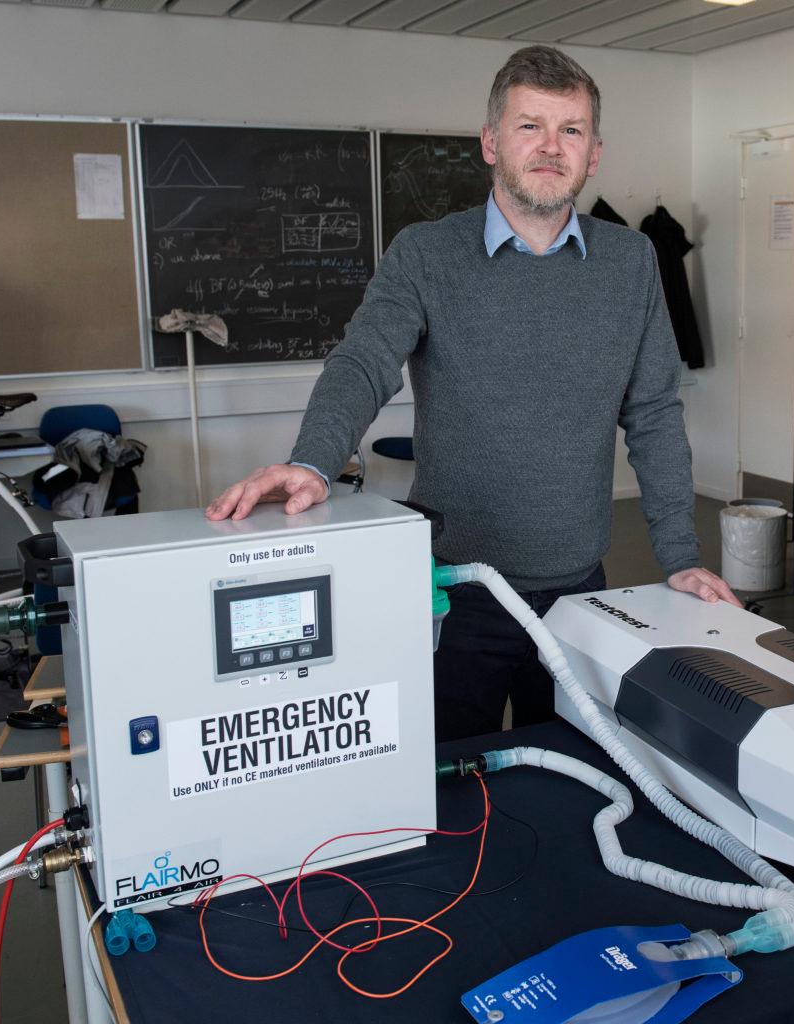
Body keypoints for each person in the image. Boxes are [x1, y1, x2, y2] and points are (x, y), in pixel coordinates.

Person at [207, 45, 740, 741]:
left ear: (594, 153)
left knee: (578, 780)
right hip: (457, 594)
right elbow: (364, 361)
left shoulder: (631, 260)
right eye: (530, 126)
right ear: (491, 143)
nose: (551, 147)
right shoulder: (426, 253)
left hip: (581, 593)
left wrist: (680, 558)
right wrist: (312, 462)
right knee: (457, 784)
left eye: (571, 130)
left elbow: (654, 415)